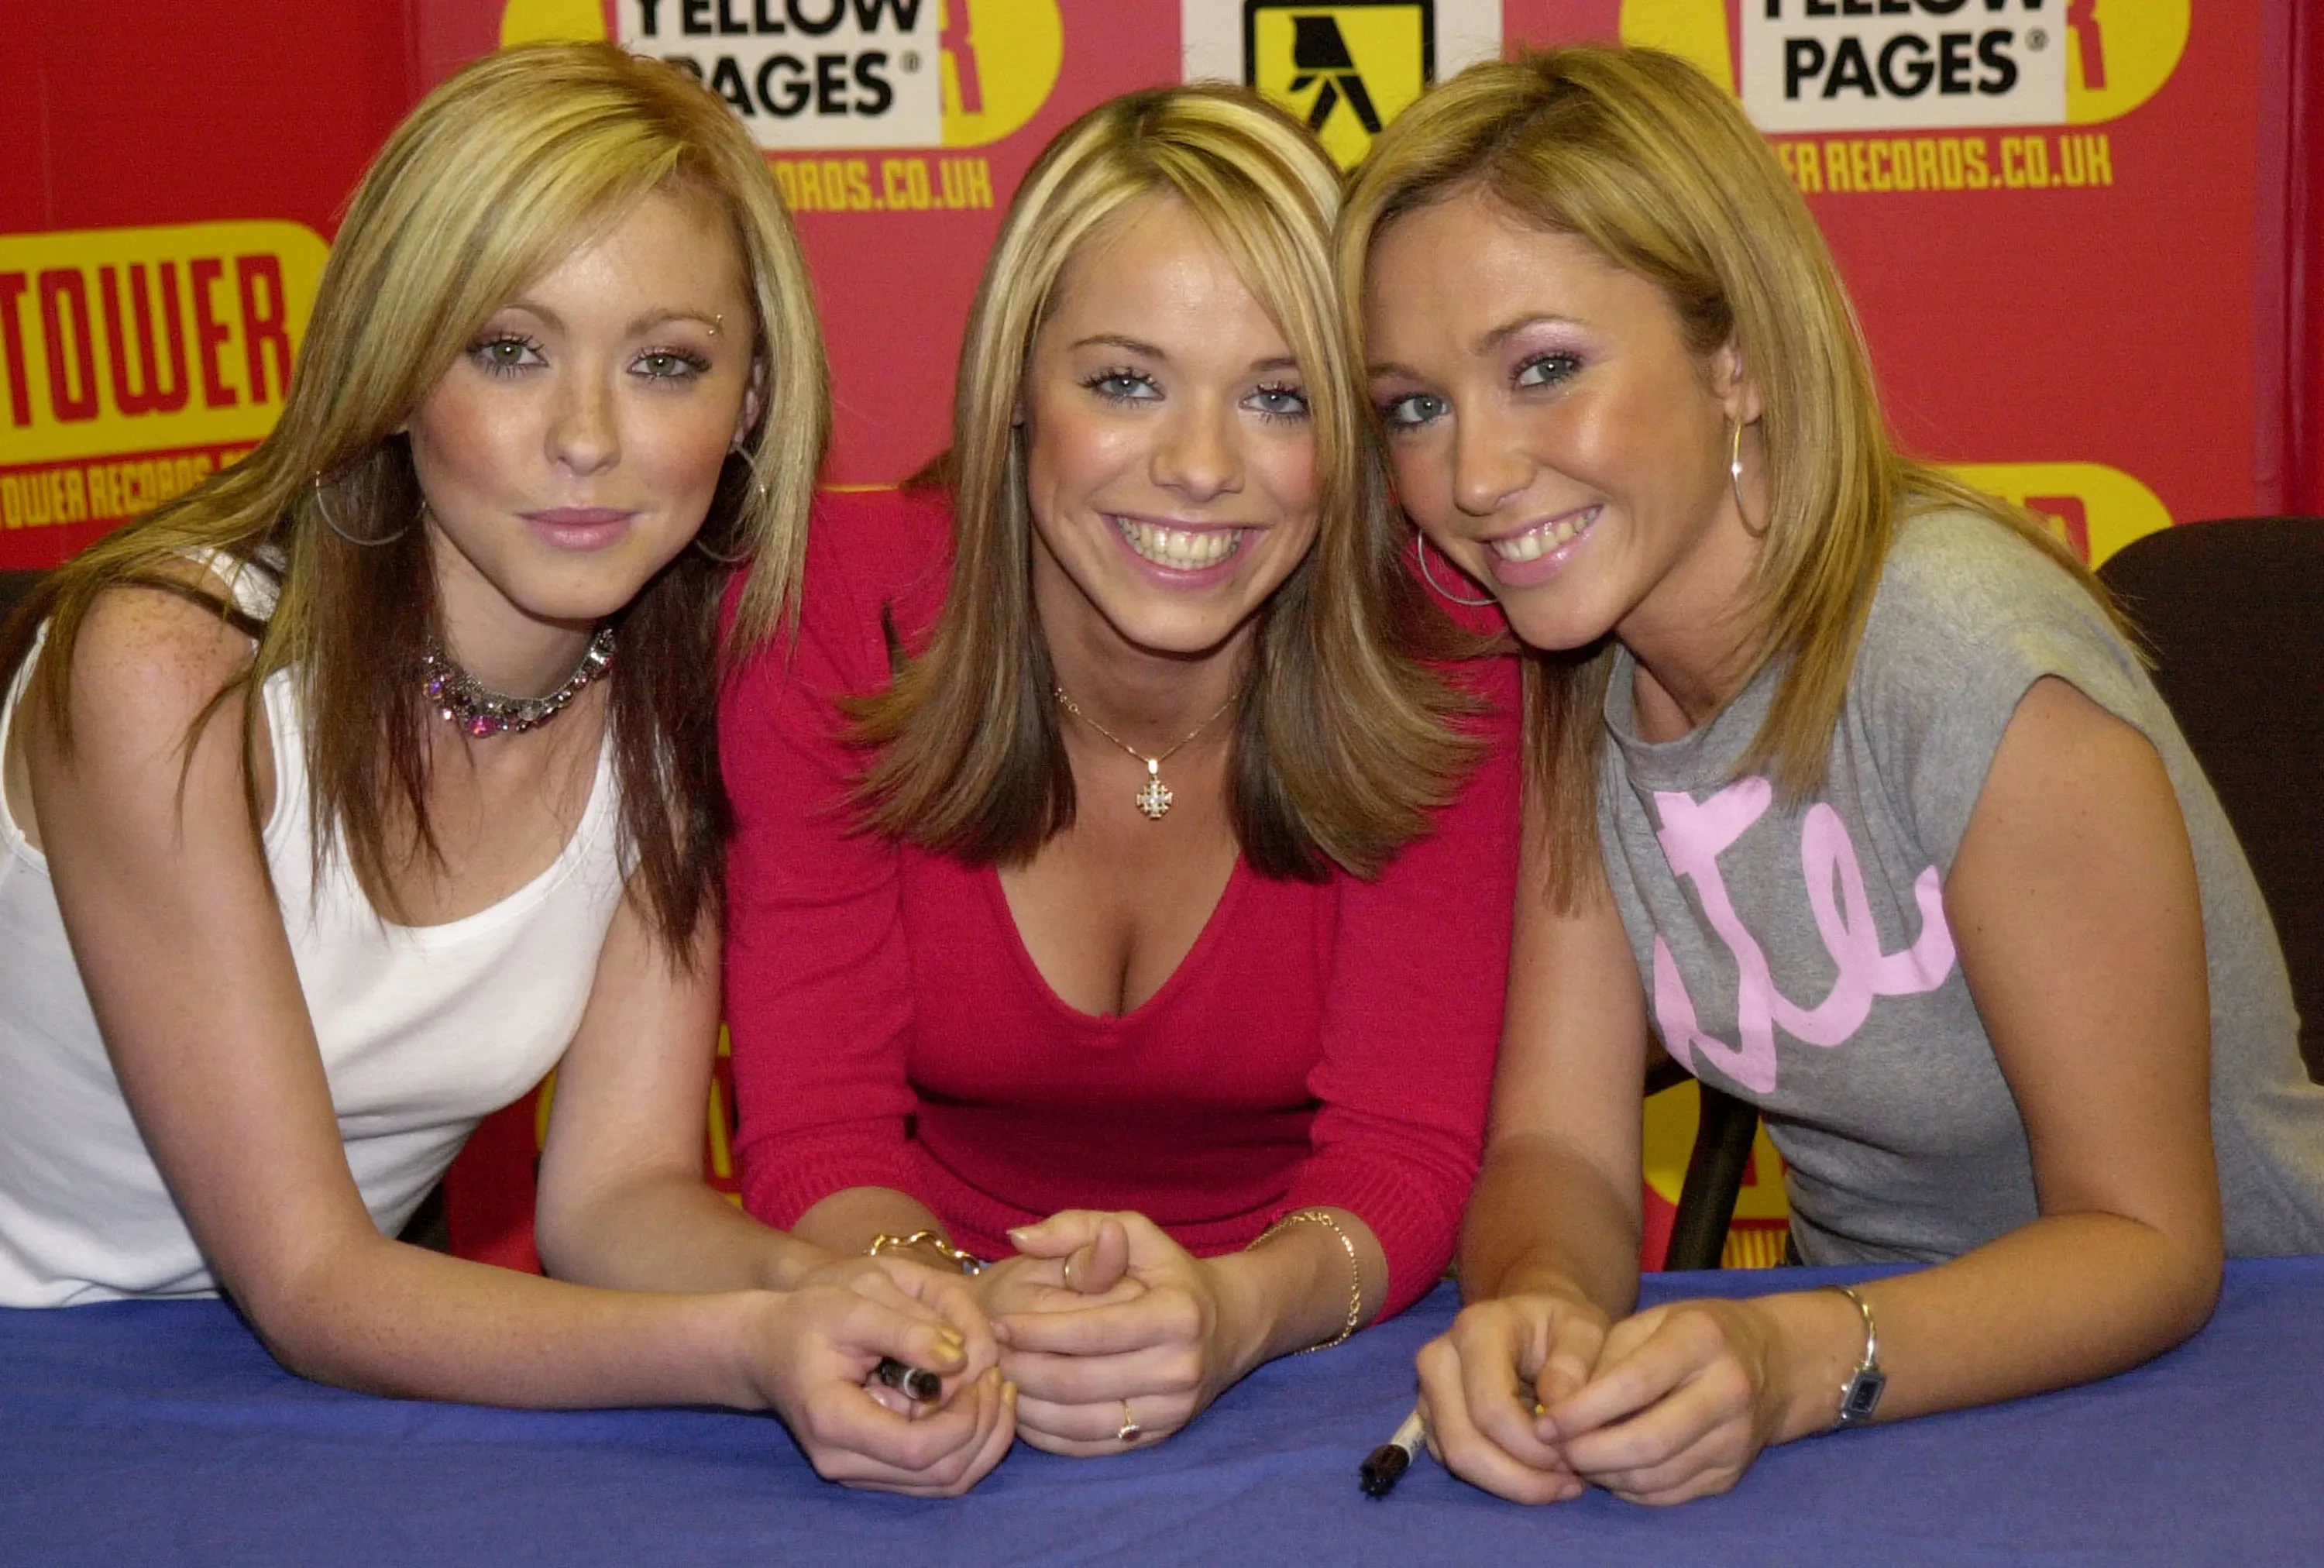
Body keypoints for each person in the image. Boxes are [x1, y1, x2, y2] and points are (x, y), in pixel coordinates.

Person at [0, 43, 1012, 1497]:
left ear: (749, 405)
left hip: (310, 1399)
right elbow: (308, 1279)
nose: (588, 438)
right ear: (397, 364)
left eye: (666, 364)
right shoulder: (169, 669)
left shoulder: (691, 691)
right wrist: (750, 1347)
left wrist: (855, 1294)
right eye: (508, 349)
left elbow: (616, 1199)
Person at [1343, 46, 2324, 1505]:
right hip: (1888, 1394)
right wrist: (1540, 1303)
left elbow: (2150, 1243)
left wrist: (1797, 1358)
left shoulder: (1962, 653)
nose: (1473, 476)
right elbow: (1560, 1145)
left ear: (1736, 357)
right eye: (1414, 406)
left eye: (1544, 368)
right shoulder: (1569, 672)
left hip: (2236, 1374)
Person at [720, 84, 1521, 1456]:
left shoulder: (1443, 656)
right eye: (1126, 382)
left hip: (1308, 1351)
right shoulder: (830, 615)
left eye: (1278, 397)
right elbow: (816, 1134)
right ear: (1016, 390)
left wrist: (1234, 1311)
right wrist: (962, 1302)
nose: (1200, 466)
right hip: (905, 1326)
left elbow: (1406, 1155)